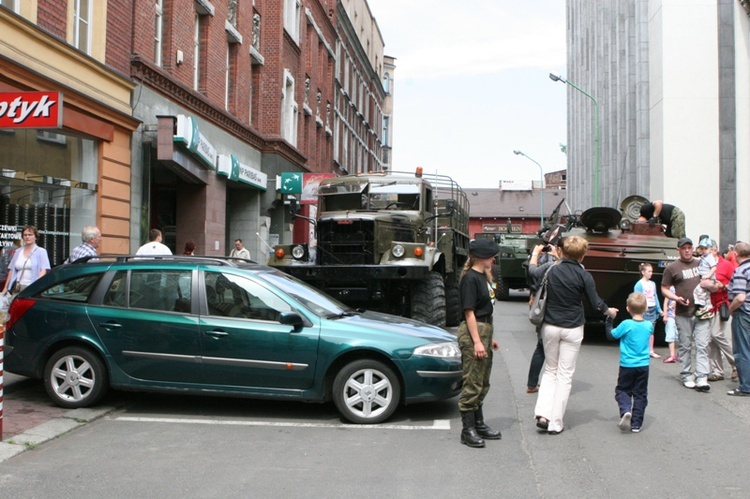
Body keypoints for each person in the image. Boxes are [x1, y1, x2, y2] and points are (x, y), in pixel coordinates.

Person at [534, 236, 618, 435]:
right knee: (564, 375)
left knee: (550, 371)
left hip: (550, 326)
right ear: (582, 255)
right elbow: (595, 303)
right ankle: (555, 422)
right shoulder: (584, 275)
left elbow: (532, 276)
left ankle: (542, 414)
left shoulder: (551, 269)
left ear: (562, 251)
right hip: (572, 328)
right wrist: (609, 312)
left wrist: (536, 255)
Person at [457, 238, 502, 448]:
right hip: (474, 332)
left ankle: (479, 423)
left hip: (484, 329)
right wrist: (476, 341)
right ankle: (467, 430)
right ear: (482, 257)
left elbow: (485, 311)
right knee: (472, 381)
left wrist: (488, 338)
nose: (494, 258)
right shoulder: (471, 279)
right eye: (491, 255)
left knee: (483, 381)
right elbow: (469, 313)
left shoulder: (483, 277)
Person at [660, 237, 712, 391]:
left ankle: (702, 377)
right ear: (679, 250)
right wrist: (675, 298)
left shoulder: (701, 263)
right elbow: (664, 288)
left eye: (689, 247)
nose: (687, 250)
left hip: (702, 311)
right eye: (684, 248)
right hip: (683, 312)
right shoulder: (672, 268)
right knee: (685, 344)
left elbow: (714, 278)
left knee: (702, 345)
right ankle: (687, 375)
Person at [608, 292, 652, 433]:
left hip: (627, 364)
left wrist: (609, 319)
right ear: (646, 309)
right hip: (643, 365)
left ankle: (626, 410)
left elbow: (611, 335)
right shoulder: (649, 325)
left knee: (622, 390)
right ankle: (636, 424)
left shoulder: (626, 324)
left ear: (628, 309)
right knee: (640, 393)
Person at [699, 239, 737, 382]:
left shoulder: (726, 265)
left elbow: (735, 284)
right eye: (701, 249)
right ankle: (717, 371)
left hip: (721, 303)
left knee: (716, 334)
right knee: (710, 339)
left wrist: (723, 285)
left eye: (705, 249)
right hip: (707, 305)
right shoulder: (703, 264)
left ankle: (736, 362)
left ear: (714, 250)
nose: (703, 252)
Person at [526, 241, 562, 393]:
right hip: (566, 314)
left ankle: (532, 383)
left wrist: (536, 253)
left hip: (547, 310)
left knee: (541, 347)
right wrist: (557, 255)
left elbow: (533, 271)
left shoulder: (550, 267)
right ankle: (557, 382)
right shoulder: (577, 268)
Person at [727, 241, 750, 396]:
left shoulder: (741, 270)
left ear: (736, 254)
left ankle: (745, 386)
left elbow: (740, 297)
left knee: (742, 350)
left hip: (744, 314)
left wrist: (731, 309)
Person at [1, 225, 52, 295]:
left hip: (32, 287)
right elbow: (11, 270)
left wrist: (35, 286)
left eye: (30, 235)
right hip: (17, 287)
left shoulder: (41, 251)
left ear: (35, 237)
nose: (27, 237)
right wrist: (6, 287)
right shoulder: (18, 251)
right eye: (25, 235)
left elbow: (44, 269)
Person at [634, 262, 663, 358]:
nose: (651, 273)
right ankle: (641, 350)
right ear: (643, 272)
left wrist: (659, 309)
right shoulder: (639, 284)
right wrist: (640, 308)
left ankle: (651, 350)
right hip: (644, 310)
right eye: (649, 271)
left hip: (652, 308)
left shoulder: (652, 284)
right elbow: (637, 297)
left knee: (651, 331)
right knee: (643, 330)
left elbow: (655, 297)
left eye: (652, 271)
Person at [692, 237, 717, 319]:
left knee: (698, 291)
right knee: (706, 294)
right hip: (703, 277)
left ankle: (702, 307)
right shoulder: (703, 257)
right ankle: (708, 308)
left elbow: (714, 267)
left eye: (705, 248)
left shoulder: (710, 257)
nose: (703, 250)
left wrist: (708, 276)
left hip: (707, 278)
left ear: (710, 249)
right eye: (702, 248)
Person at [662, 286, 679, 363]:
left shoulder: (683, 287)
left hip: (679, 316)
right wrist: (665, 314)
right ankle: (672, 355)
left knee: (679, 336)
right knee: (671, 334)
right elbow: (666, 302)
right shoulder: (671, 289)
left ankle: (679, 354)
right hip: (671, 315)